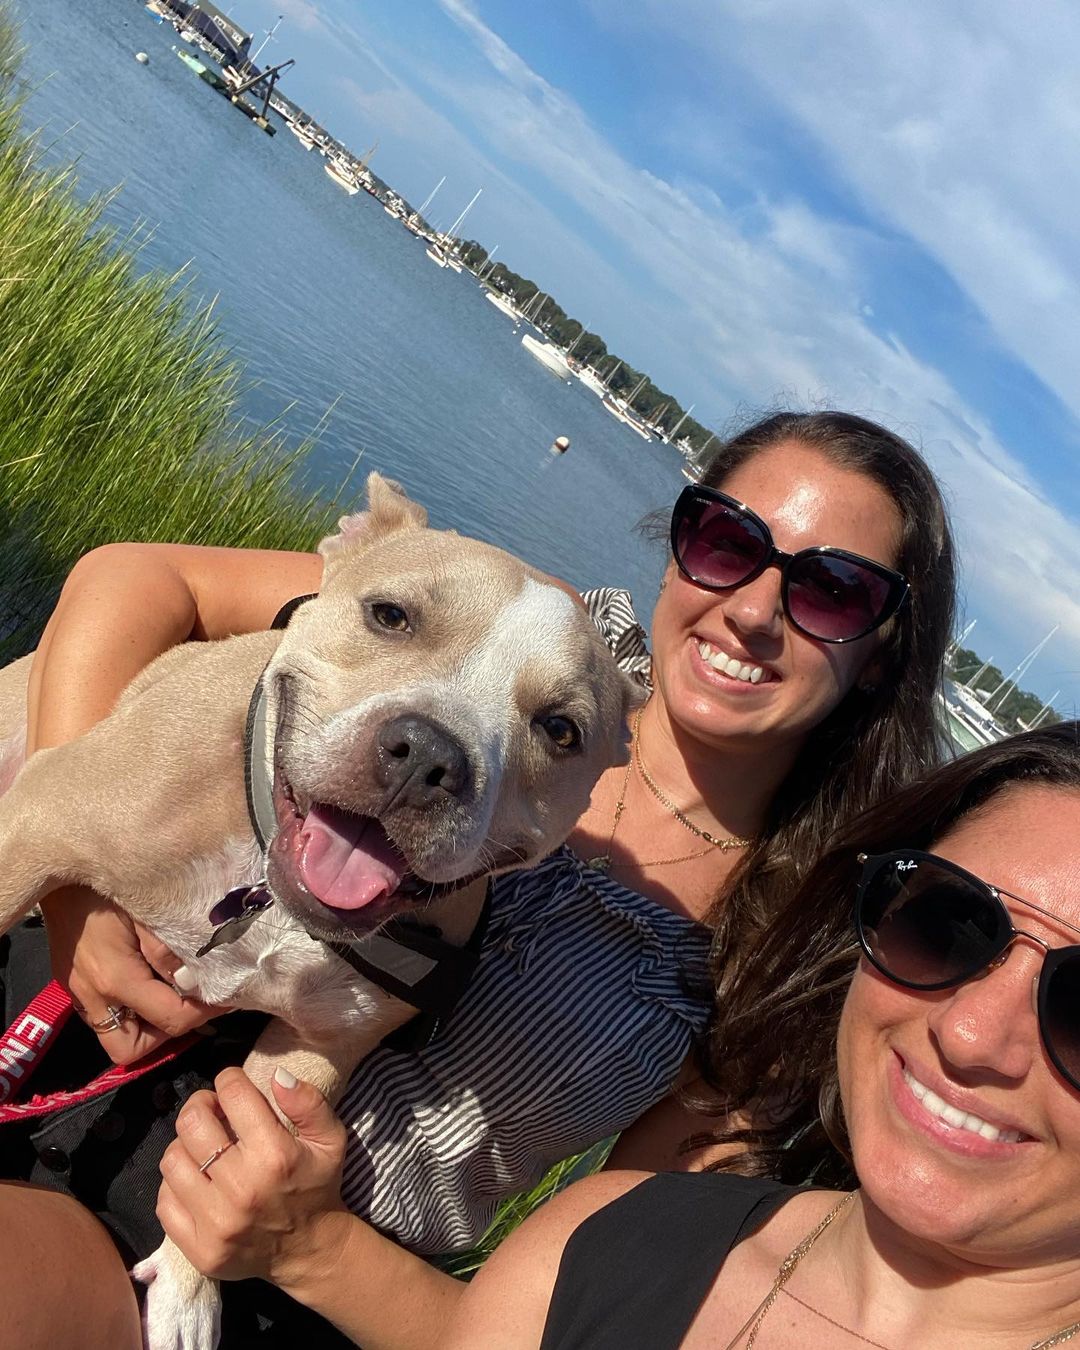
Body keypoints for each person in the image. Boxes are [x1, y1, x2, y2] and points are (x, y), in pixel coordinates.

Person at [0, 411, 956, 1346]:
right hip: (57, 1006)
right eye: (725, 539)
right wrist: (72, 889)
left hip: (257, 1265)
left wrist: (313, 1248)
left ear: (881, 657)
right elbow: (138, 577)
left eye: (831, 593)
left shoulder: (790, 957)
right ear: (679, 545)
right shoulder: (514, 624)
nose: (751, 609)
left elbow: (579, 1305)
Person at [156, 722, 1080, 1348]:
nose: (969, 1034)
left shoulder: (747, 967)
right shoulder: (613, 1235)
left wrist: (310, 1247)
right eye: (946, 922)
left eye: (832, 591)